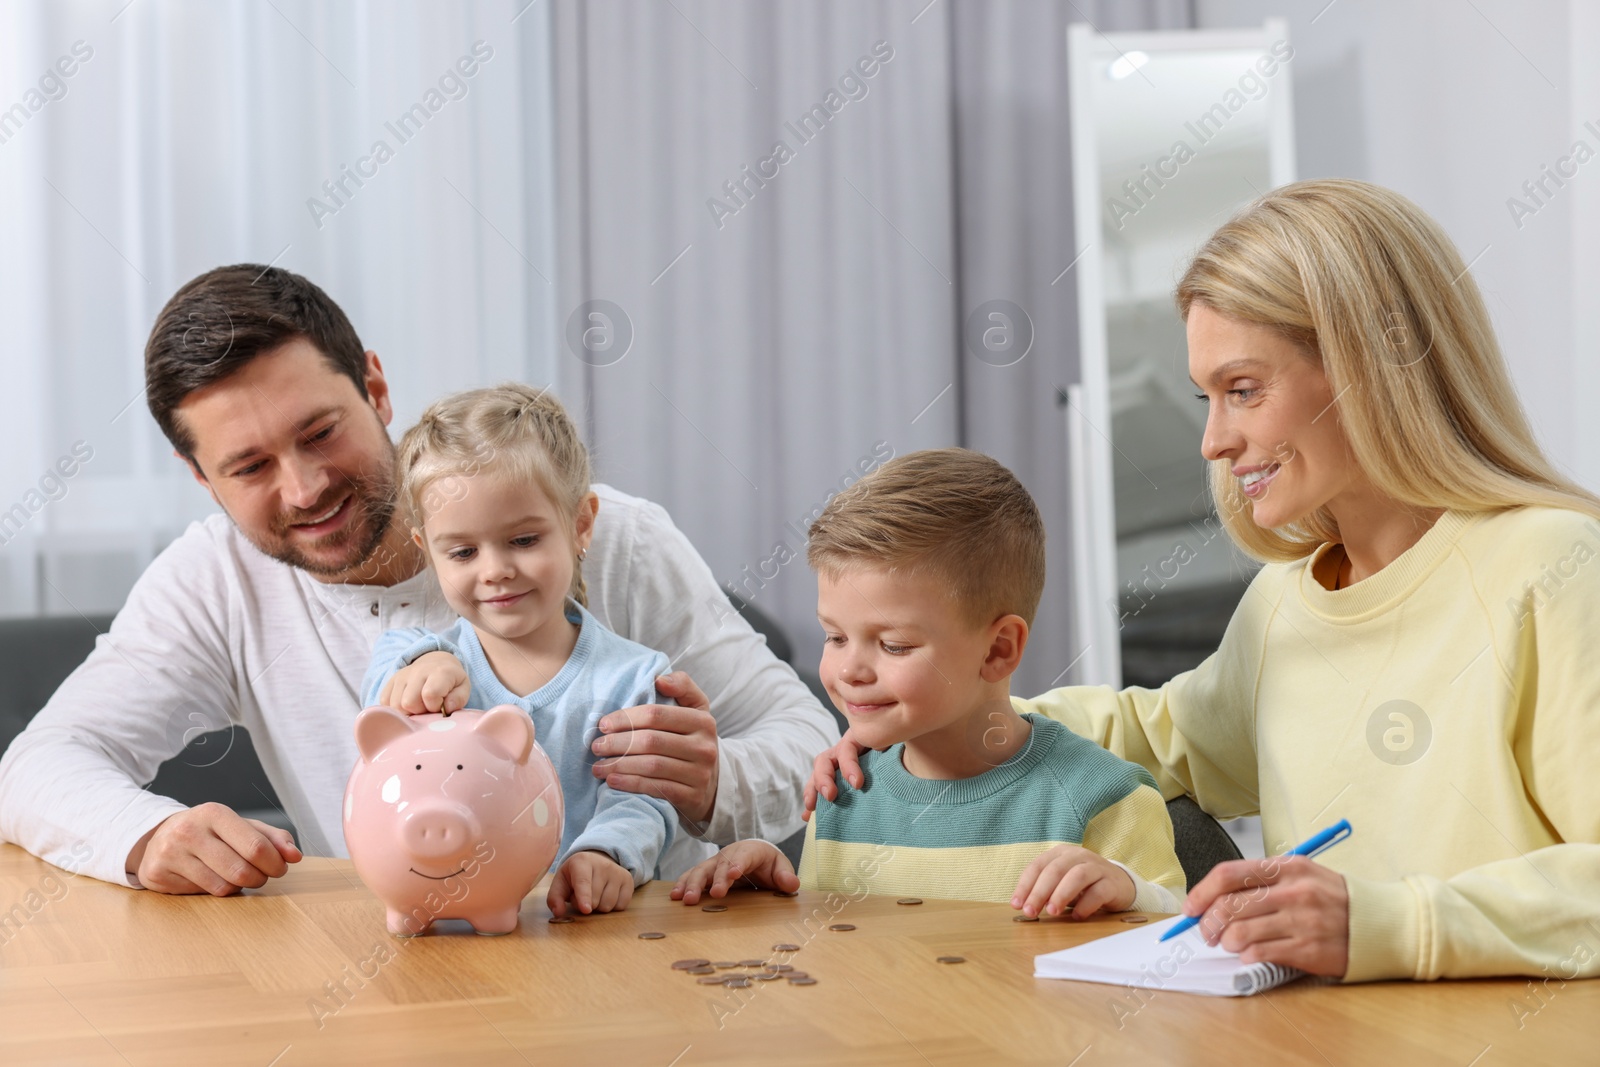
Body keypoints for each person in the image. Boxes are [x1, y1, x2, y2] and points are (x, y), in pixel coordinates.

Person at [804, 179, 1600, 982]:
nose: (1213, 440)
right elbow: (1161, 736)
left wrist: (1390, 922)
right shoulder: (1288, 603)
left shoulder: (1553, 568)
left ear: (1369, 366)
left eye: (1244, 390)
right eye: (1207, 397)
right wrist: (922, 709)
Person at [0, 265, 838, 895]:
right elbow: (39, 764)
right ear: (200, 478)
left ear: (376, 385)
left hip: (649, 958)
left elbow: (805, 733)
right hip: (412, 971)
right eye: (249, 465)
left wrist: (716, 782)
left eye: (321, 431)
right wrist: (147, 834)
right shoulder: (212, 582)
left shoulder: (605, 534)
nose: (303, 488)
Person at [673, 450, 1185, 917]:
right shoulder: (844, 793)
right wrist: (778, 889)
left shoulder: (1105, 799)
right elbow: (838, 963)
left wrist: (1129, 892)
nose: (850, 670)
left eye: (893, 646)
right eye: (834, 637)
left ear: (998, 649)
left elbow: (1181, 952)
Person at [363, 384, 678, 917]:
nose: (495, 570)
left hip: (585, 929)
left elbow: (642, 800)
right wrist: (423, 665)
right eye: (463, 551)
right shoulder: (416, 658)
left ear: (580, 525)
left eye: (524, 541)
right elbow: (384, 717)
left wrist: (606, 854)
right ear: (429, 552)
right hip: (460, 921)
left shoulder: (633, 679)